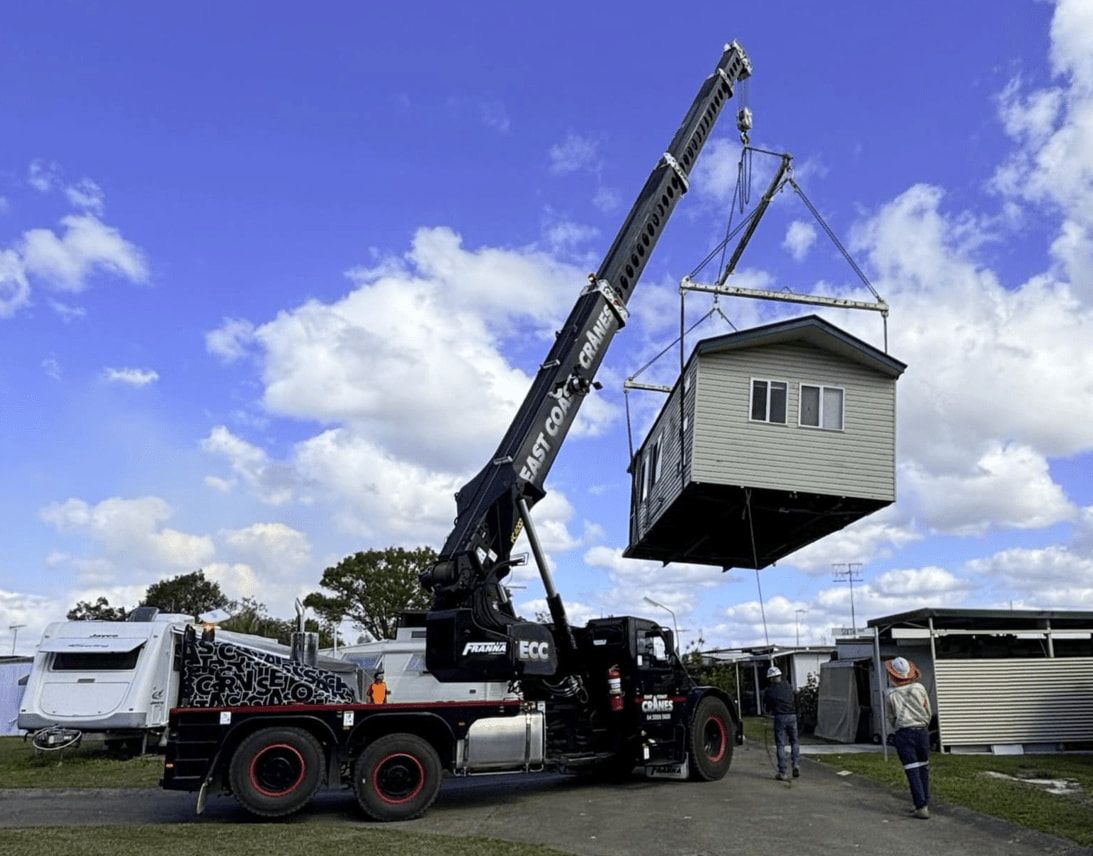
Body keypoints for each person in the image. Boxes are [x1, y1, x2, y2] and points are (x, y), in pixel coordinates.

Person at [884, 657, 932, 819]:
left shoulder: (890, 694)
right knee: (923, 767)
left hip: (904, 733)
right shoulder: (920, 688)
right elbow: (928, 710)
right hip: (922, 731)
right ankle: (924, 801)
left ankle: (921, 806)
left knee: (911, 769)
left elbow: (891, 718)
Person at [762, 665, 800, 781]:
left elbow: (767, 706)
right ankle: (796, 764)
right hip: (792, 715)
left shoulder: (770, 691)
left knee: (781, 745)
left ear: (771, 678)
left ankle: (783, 772)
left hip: (780, 717)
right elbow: (795, 698)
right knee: (794, 741)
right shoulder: (788, 686)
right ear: (779, 676)